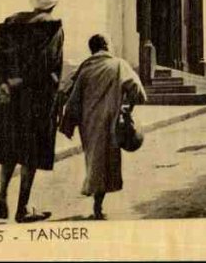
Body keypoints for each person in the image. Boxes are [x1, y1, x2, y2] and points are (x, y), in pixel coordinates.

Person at [0, 0, 63, 223]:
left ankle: (1, 196)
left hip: (6, 100)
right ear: (53, 5)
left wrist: (1, 83)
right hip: (34, 101)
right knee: (31, 153)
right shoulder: (52, 28)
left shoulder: (11, 23)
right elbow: (46, 66)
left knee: (9, 148)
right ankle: (23, 207)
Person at [60, 35, 146, 220]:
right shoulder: (118, 64)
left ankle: (95, 198)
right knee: (106, 162)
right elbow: (137, 89)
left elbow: (73, 99)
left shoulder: (84, 68)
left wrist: (68, 125)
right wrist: (129, 107)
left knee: (94, 160)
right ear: (106, 46)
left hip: (88, 123)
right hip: (110, 121)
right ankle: (97, 205)